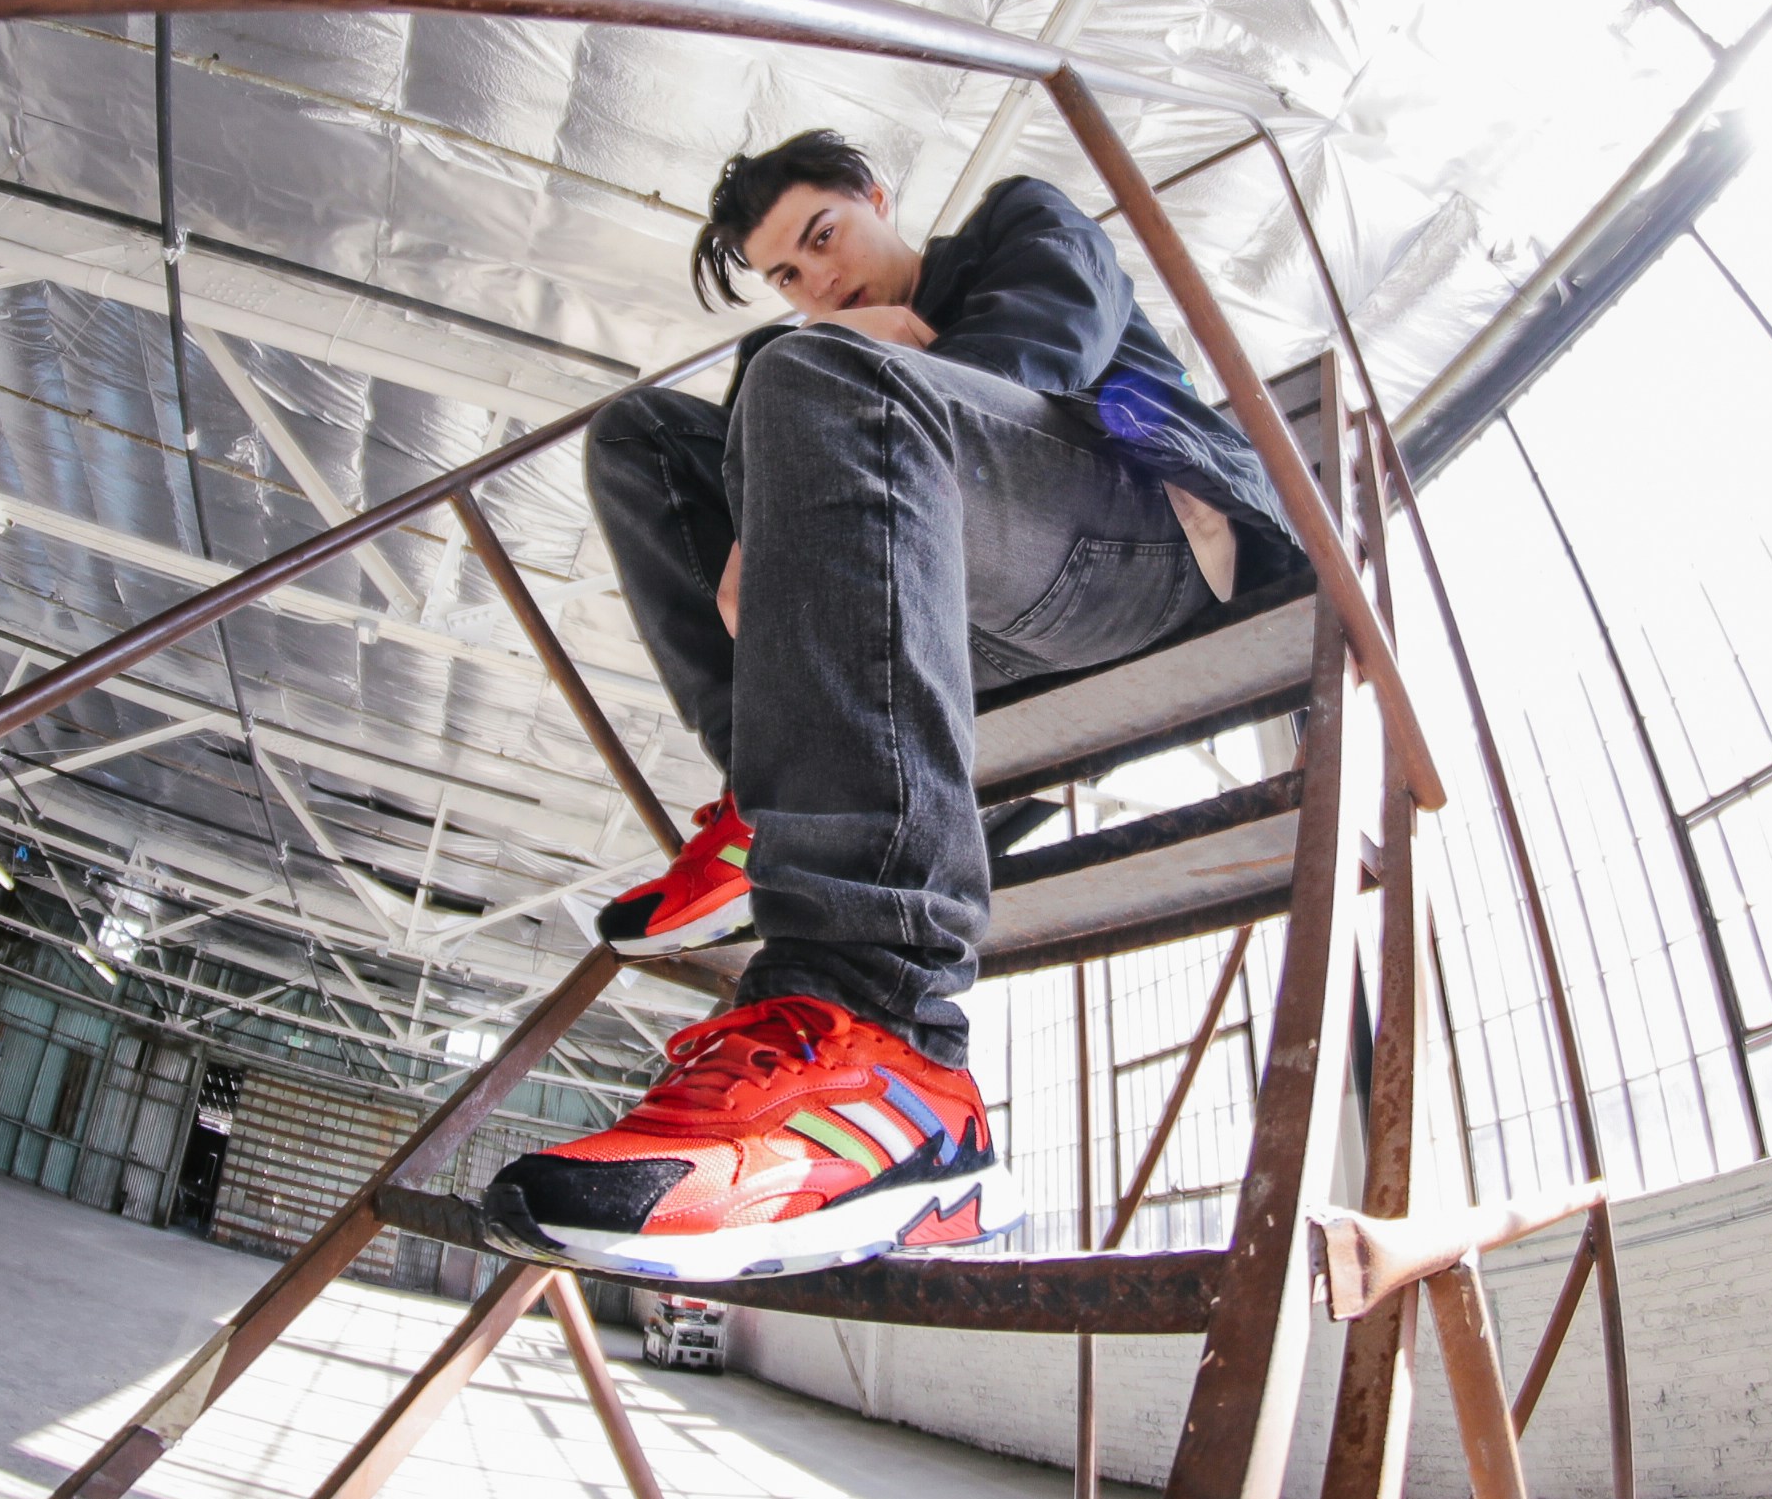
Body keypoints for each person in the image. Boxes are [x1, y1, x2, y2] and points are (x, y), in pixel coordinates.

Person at [484, 130, 1300, 1281]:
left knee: (812, 377)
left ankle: (892, 1044)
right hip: (961, 605)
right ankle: (766, 799)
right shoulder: (821, 349)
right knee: (642, 436)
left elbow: (1040, 356)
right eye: (788, 277)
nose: (820, 283)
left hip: (1140, 552)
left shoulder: (1021, 223)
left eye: (824, 239)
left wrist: (831, 360)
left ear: (878, 195)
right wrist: (797, 384)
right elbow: (781, 420)